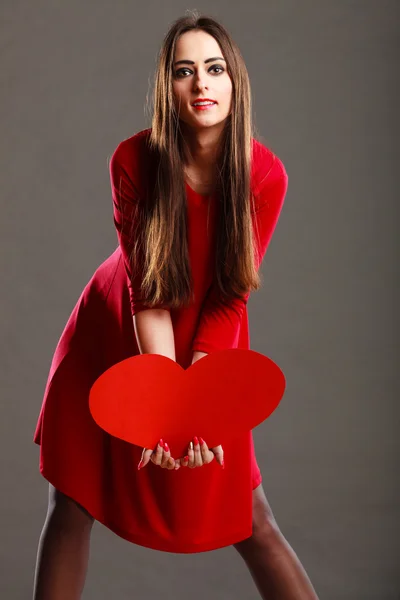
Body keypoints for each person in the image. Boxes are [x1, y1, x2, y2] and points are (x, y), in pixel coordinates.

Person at [32, 11, 319, 600]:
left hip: (213, 333)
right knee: (73, 498)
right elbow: (148, 294)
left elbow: (231, 292)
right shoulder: (133, 162)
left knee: (251, 516)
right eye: (184, 72)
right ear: (168, 88)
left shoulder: (265, 176)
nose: (201, 84)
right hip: (116, 332)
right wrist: (160, 401)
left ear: (234, 80)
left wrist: (199, 402)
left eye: (214, 69)